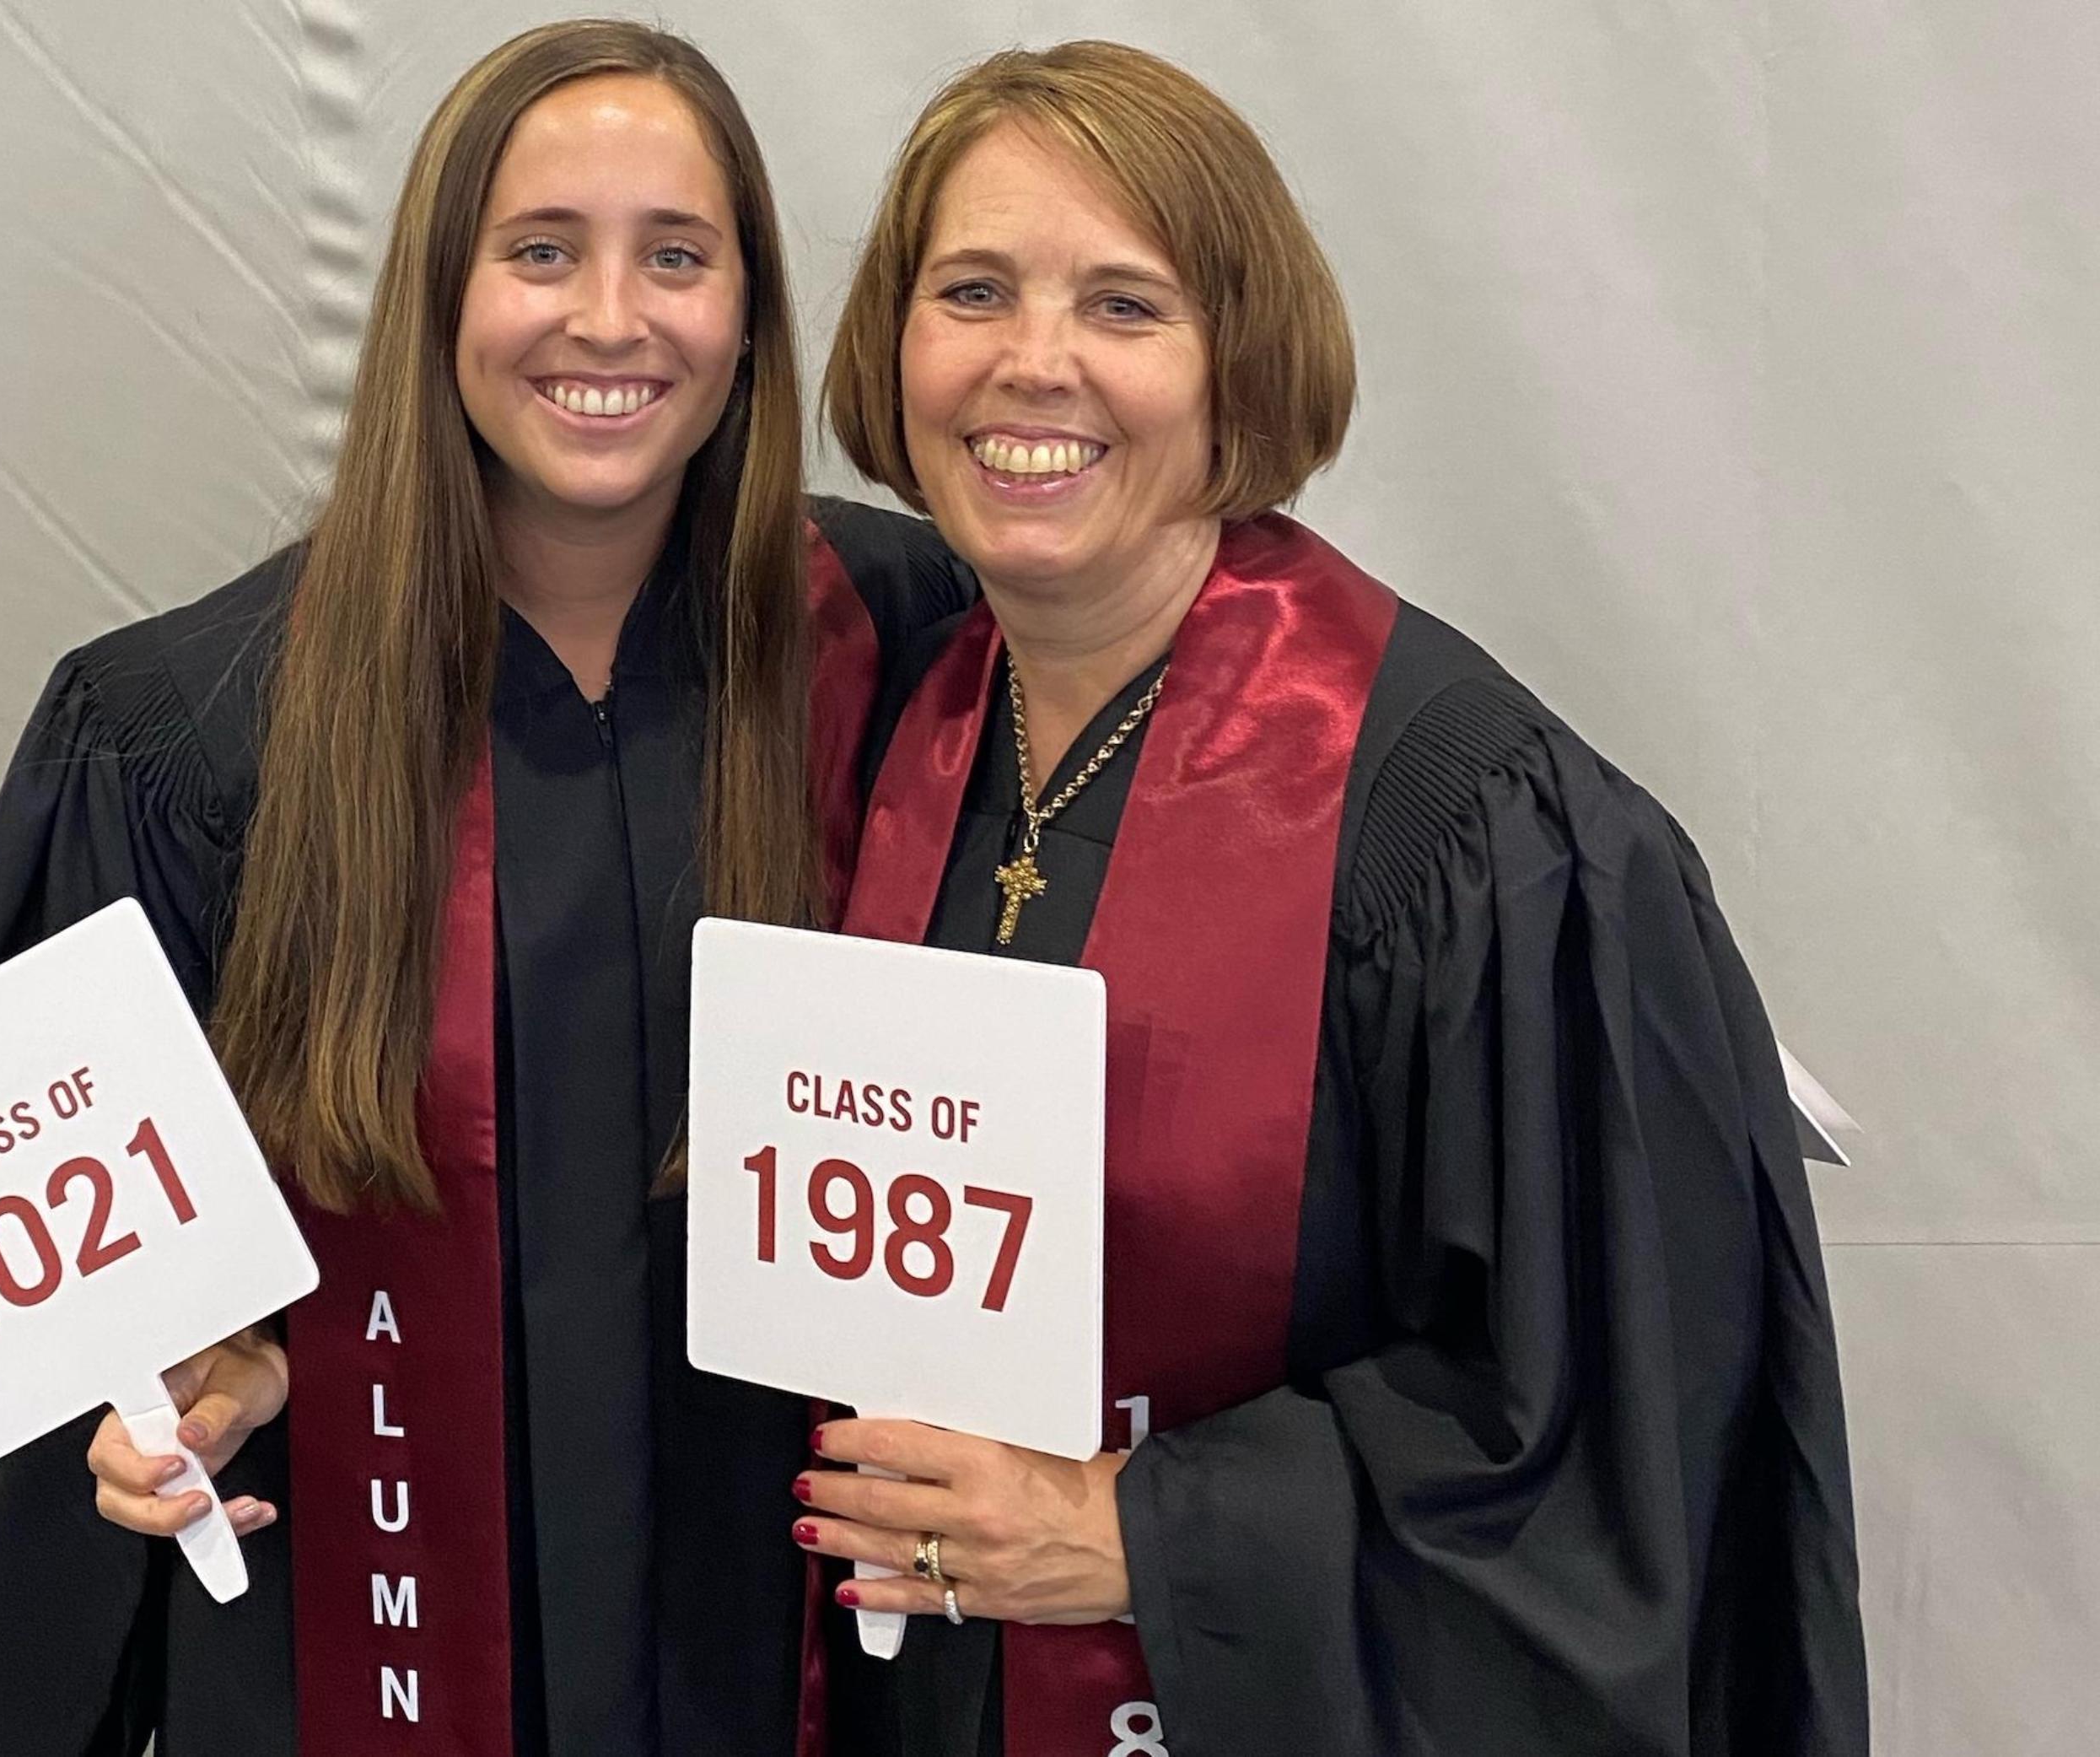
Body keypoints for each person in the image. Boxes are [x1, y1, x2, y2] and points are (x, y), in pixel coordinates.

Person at [793, 41, 1869, 1755]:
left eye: (1125, 306)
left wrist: (1132, 1531)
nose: (1031, 361)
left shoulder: (1467, 834)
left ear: (1239, 364)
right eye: (971, 289)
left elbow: (1603, 1450)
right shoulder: (892, 733)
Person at [0, 20, 967, 1755]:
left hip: (791, 1641)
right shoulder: (189, 730)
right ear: (440, 296)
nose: (612, 319)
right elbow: (61, 1305)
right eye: (541, 250)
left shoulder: (898, 646)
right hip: (363, 1627)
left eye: (677, 257)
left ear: (749, 315)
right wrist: (168, 1394)